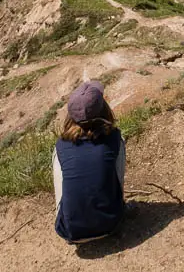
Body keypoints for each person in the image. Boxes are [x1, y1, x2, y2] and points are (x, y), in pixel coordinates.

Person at [53, 81, 125, 244]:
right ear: (104, 109)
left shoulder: (61, 145)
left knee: (61, 162)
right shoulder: (114, 139)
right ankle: (115, 204)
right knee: (119, 147)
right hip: (111, 223)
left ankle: (69, 214)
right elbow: (118, 177)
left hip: (70, 231)